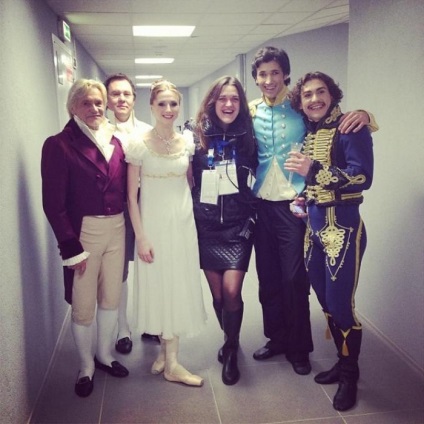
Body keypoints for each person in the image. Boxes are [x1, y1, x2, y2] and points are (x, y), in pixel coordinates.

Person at [249, 46, 377, 376]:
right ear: (256, 79)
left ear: (285, 75)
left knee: (295, 280)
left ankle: (299, 347)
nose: (269, 79)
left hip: (296, 207)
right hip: (263, 204)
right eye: (262, 74)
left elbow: (336, 123)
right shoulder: (251, 112)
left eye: (275, 72)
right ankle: (277, 338)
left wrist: (365, 114)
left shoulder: (300, 111)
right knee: (268, 279)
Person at [285, 71, 373, 411]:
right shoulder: (310, 132)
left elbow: (362, 177)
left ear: (332, 95)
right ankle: (342, 359)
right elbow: (318, 182)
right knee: (325, 302)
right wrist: (305, 198)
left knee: (341, 306)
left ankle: (350, 374)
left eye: (320, 92)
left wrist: (313, 169)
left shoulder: (352, 127)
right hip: (315, 232)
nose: (314, 99)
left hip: (344, 231)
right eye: (307, 94)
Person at [41, 79, 129, 398]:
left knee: (111, 297)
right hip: (84, 233)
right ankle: (85, 366)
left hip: (117, 228)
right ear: (73, 106)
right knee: (82, 304)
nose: (94, 108)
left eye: (98, 102)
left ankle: (104, 355)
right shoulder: (59, 144)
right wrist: (70, 248)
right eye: (86, 102)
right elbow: (53, 203)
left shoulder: (116, 141)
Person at [126, 80, 207, 387]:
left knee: (177, 285)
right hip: (154, 227)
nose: (169, 109)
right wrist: (141, 237)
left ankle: (168, 356)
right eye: (162, 103)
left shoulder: (186, 142)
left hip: (183, 226)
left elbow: (189, 183)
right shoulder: (139, 144)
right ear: (151, 106)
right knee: (160, 286)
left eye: (174, 103)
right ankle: (170, 362)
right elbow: (130, 197)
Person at [191, 76, 258, 385]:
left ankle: (230, 350)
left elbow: (262, 175)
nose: (228, 104)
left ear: (241, 103)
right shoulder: (195, 138)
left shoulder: (250, 137)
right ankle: (230, 337)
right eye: (222, 98)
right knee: (218, 296)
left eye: (234, 98)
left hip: (238, 225)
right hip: (206, 226)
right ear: (212, 102)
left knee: (232, 291)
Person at [103, 73, 159, 354]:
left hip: (147, 204)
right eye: (115, 94)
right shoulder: (101, 132)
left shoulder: (148, 132)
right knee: (120, 270)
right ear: (107, 101)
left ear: (134, 99)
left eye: (126, 94)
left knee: (152, 263)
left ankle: (151, 323)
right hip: (117, 208)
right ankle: (123, 328)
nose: (121, 99)